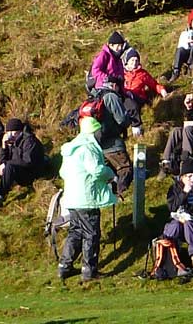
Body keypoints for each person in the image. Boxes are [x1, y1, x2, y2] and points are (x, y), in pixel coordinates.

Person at [57, 117, 118, 282]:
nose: (100, 134)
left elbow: (62, 172)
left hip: (71, 198)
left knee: (75, 231)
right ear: (94, 131)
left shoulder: (71, 149)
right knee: (91, 234)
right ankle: (89, 270)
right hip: (86, 198)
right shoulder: (88, 148)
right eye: (98, 131)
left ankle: (64, 267)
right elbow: (97, 170)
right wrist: (111, 175)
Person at [0, 118, 45, 212]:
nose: (10, 134)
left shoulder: (29, 141)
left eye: (13, 132)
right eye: (8, 132)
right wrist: (4, 146)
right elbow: (1, 160)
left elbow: (28, 161)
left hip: (29, 173)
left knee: (9, 166)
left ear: (20, 131)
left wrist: (7, 164)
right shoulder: (10, 140)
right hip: (13, 170)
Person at [90, 75, 133, 196]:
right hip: (113, 143)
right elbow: (122, 120)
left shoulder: (95, 96)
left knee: (107, 171)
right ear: (114, 85)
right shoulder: (111, 96)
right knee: (125, 169)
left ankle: (106, 193)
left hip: (96, 143)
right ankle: (121, 194)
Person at [122, 47, 168, 137]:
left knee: (130, 97)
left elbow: (154, 84)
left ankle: (137, 131)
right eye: (132, 60)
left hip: (138, 98)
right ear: (127, 61)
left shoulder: (143, 74)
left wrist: (162, 91)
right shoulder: (121, 73)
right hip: (124, 99)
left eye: (136, 60)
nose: (134, 63)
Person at [169, 9, 193, 83]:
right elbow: (181, 45)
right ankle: (176, 71)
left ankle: (191, 68)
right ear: (191, 23)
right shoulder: (185, 33)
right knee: (180, 50)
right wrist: (188, 42)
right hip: (187, 54)